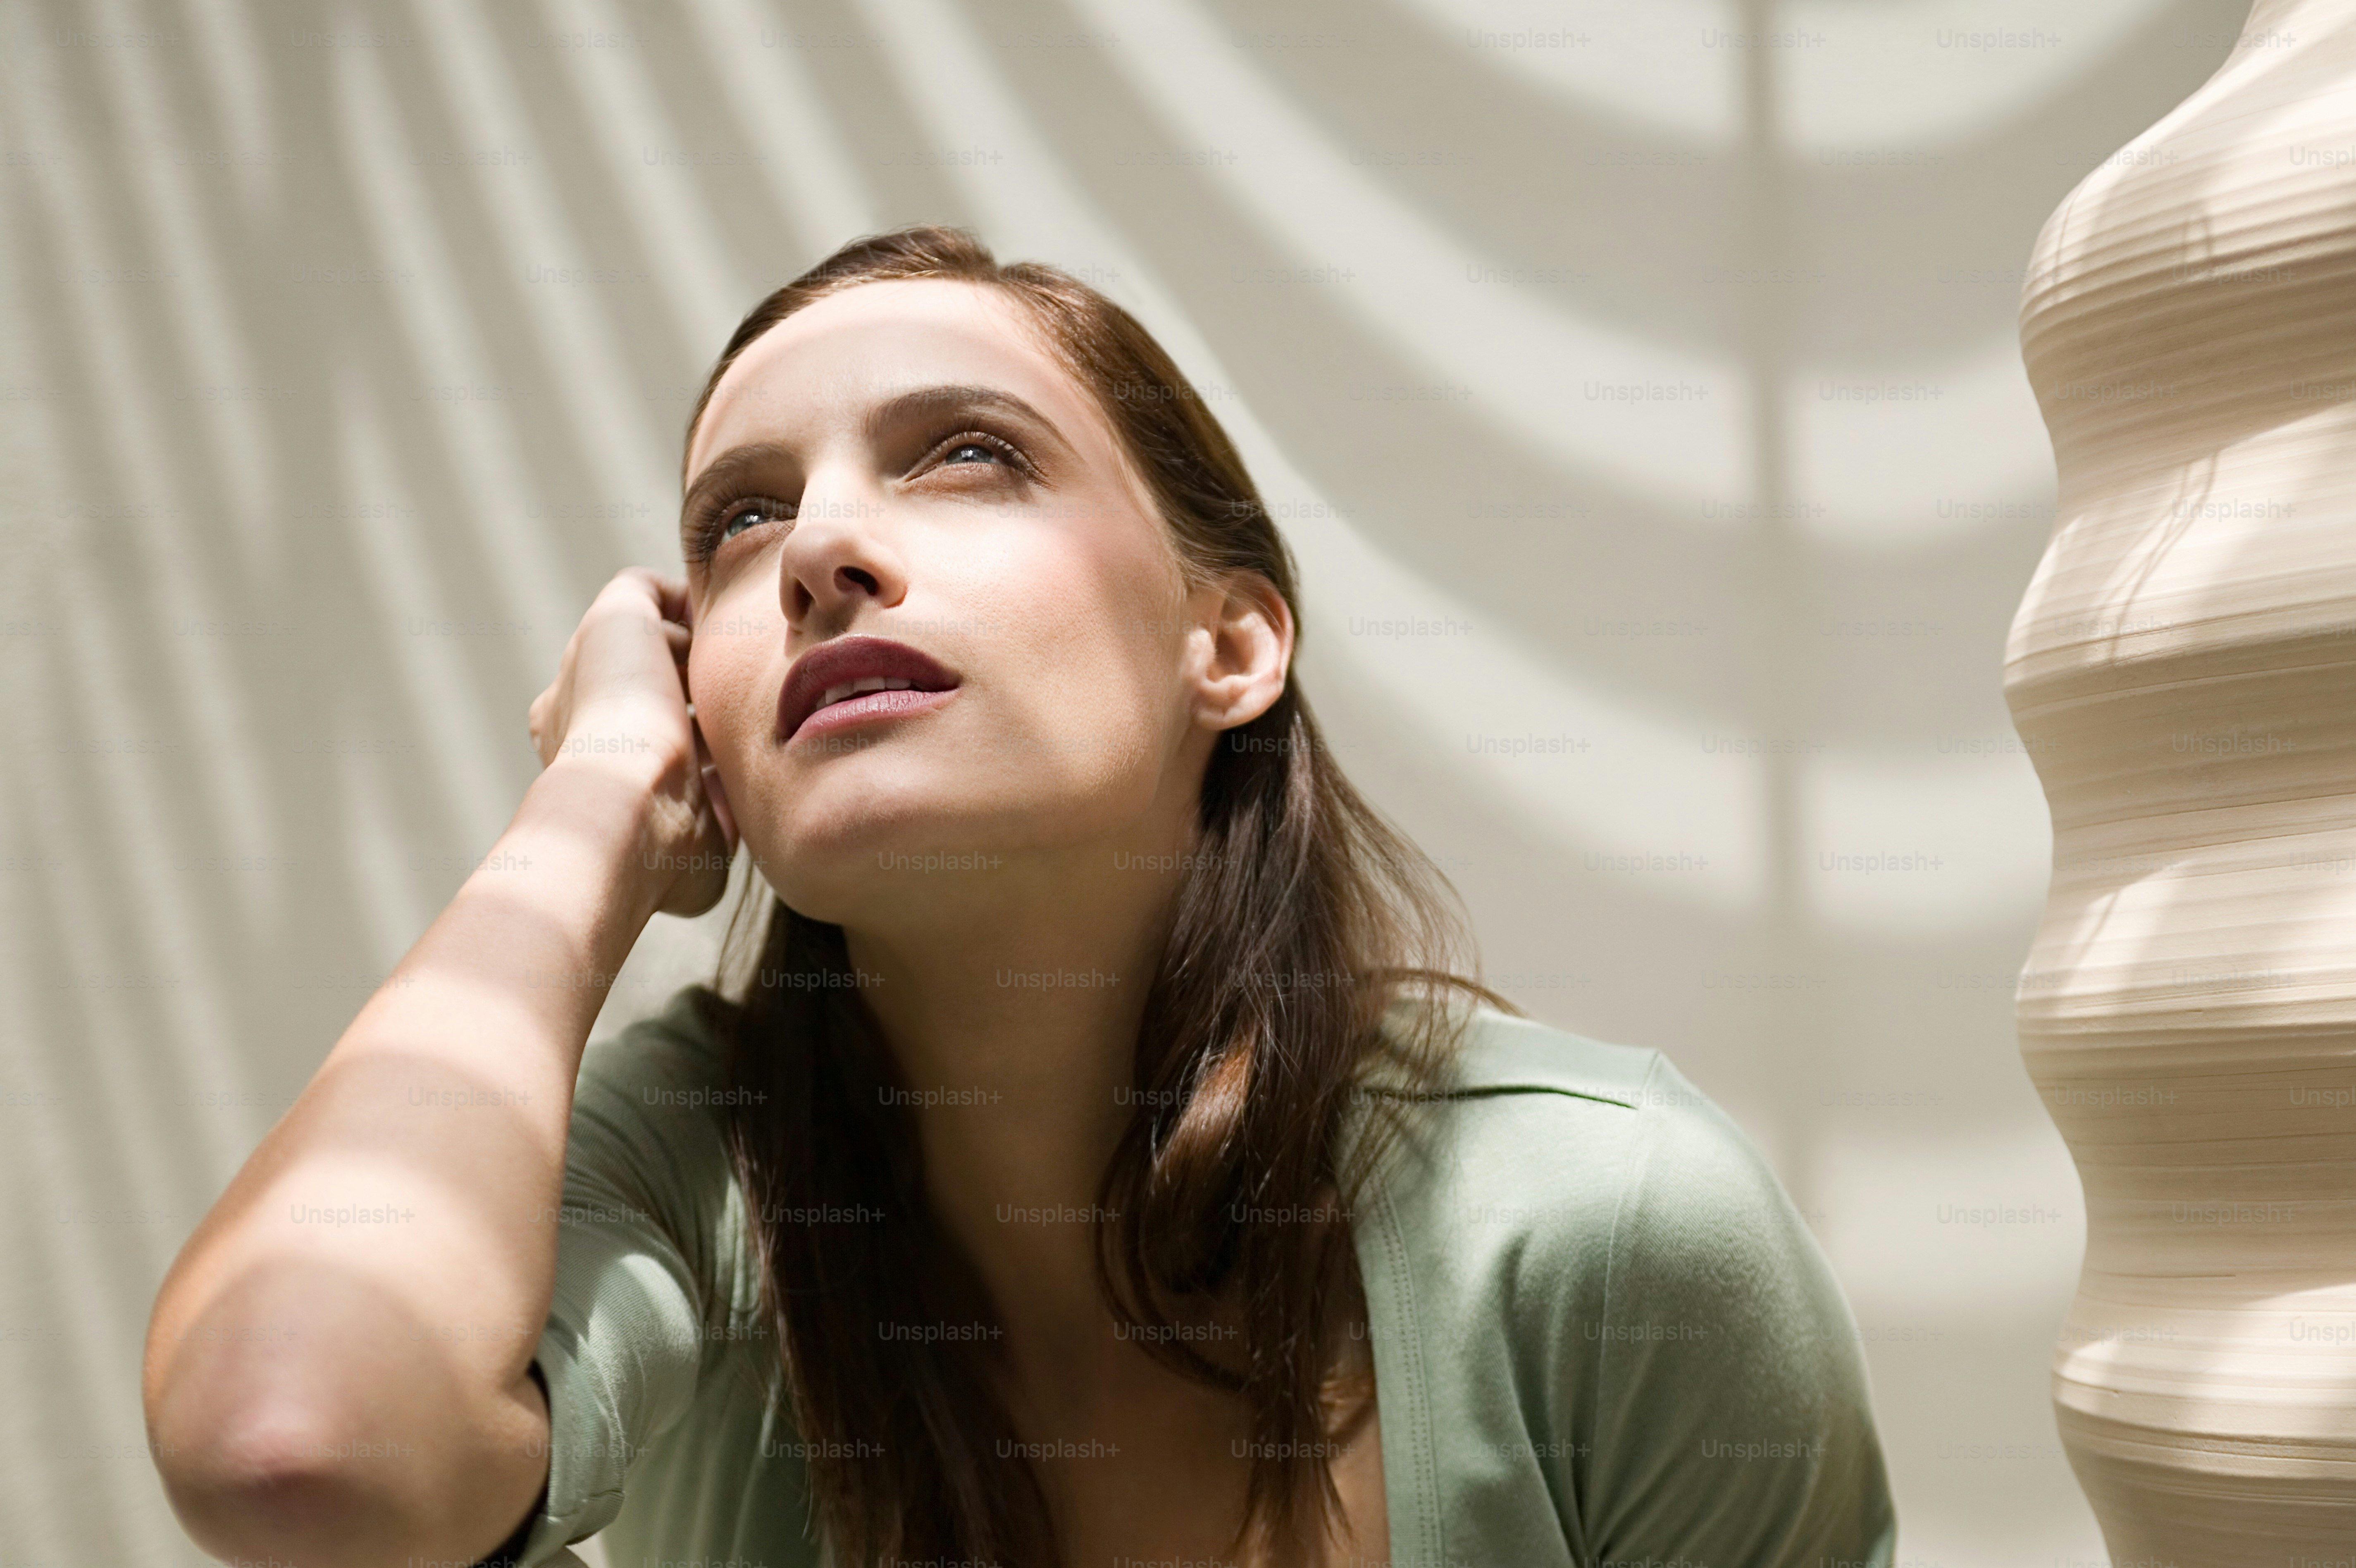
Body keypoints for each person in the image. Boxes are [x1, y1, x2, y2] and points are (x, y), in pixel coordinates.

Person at [143, 226, 1898, 1568]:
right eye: (740, 523)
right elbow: (297, 1440)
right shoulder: (688, 1177)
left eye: (968, 455)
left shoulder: (1605, 1234)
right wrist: (591, 807)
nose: (821, 548)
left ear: (1229, 643)